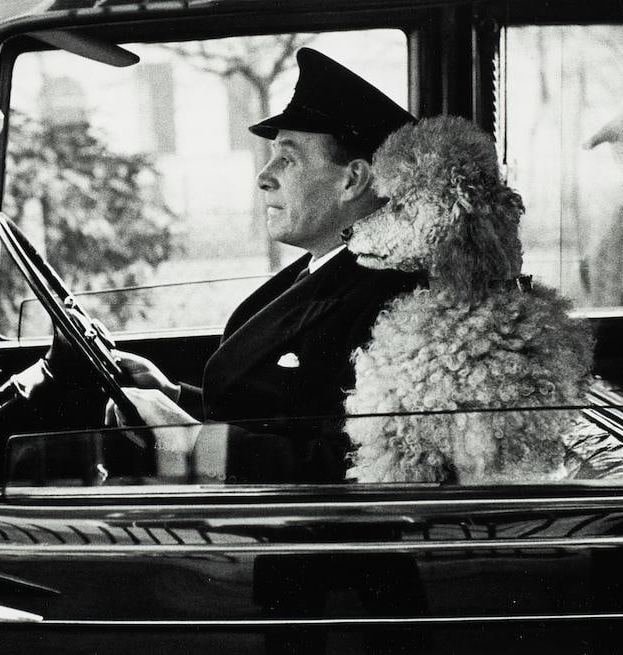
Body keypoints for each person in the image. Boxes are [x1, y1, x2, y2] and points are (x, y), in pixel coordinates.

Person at [112, 47, 423, 484]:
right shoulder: (330, 266)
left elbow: (344, 467)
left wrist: (185, 438)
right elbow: (277, 414)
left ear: (352, 180)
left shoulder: (392, 301)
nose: (264, 175)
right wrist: (173, 396)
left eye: (288, 159)